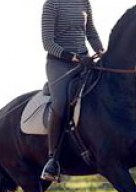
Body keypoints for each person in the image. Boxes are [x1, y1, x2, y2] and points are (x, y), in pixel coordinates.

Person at [40, 0, 104, 182]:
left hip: (85, 61)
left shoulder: (84, 2)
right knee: (61, 102)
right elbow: (48, 42)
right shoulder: (52, 4)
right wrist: (73, 57)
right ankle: (52, 160)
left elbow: (91, 32)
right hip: (59, 64)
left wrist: (102, 51)